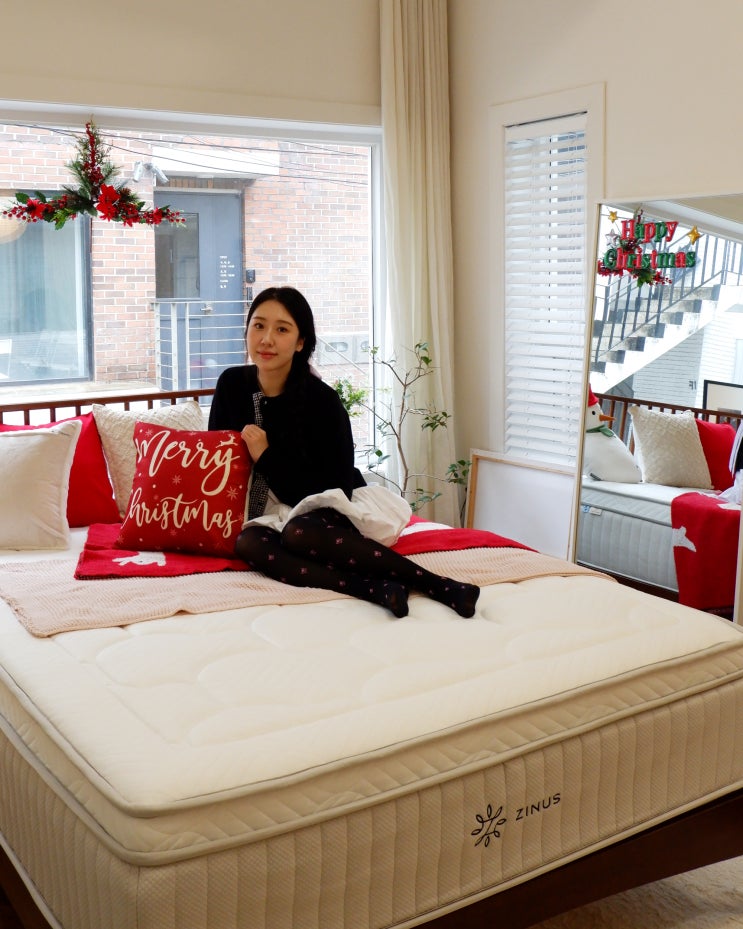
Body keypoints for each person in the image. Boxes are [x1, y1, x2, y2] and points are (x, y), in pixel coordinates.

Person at [208, 285, 480, 619]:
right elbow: (216, 462)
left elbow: (335, 488)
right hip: (264, 510)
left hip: (327, 504)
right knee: (247, 543)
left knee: (299, 533)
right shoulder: (231, 384)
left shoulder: (322, 401)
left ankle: (440, 585)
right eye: (259, 326)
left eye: (282, 330)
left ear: (300, 342)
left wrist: (265, 456)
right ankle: (373, 589)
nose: (266, 339)